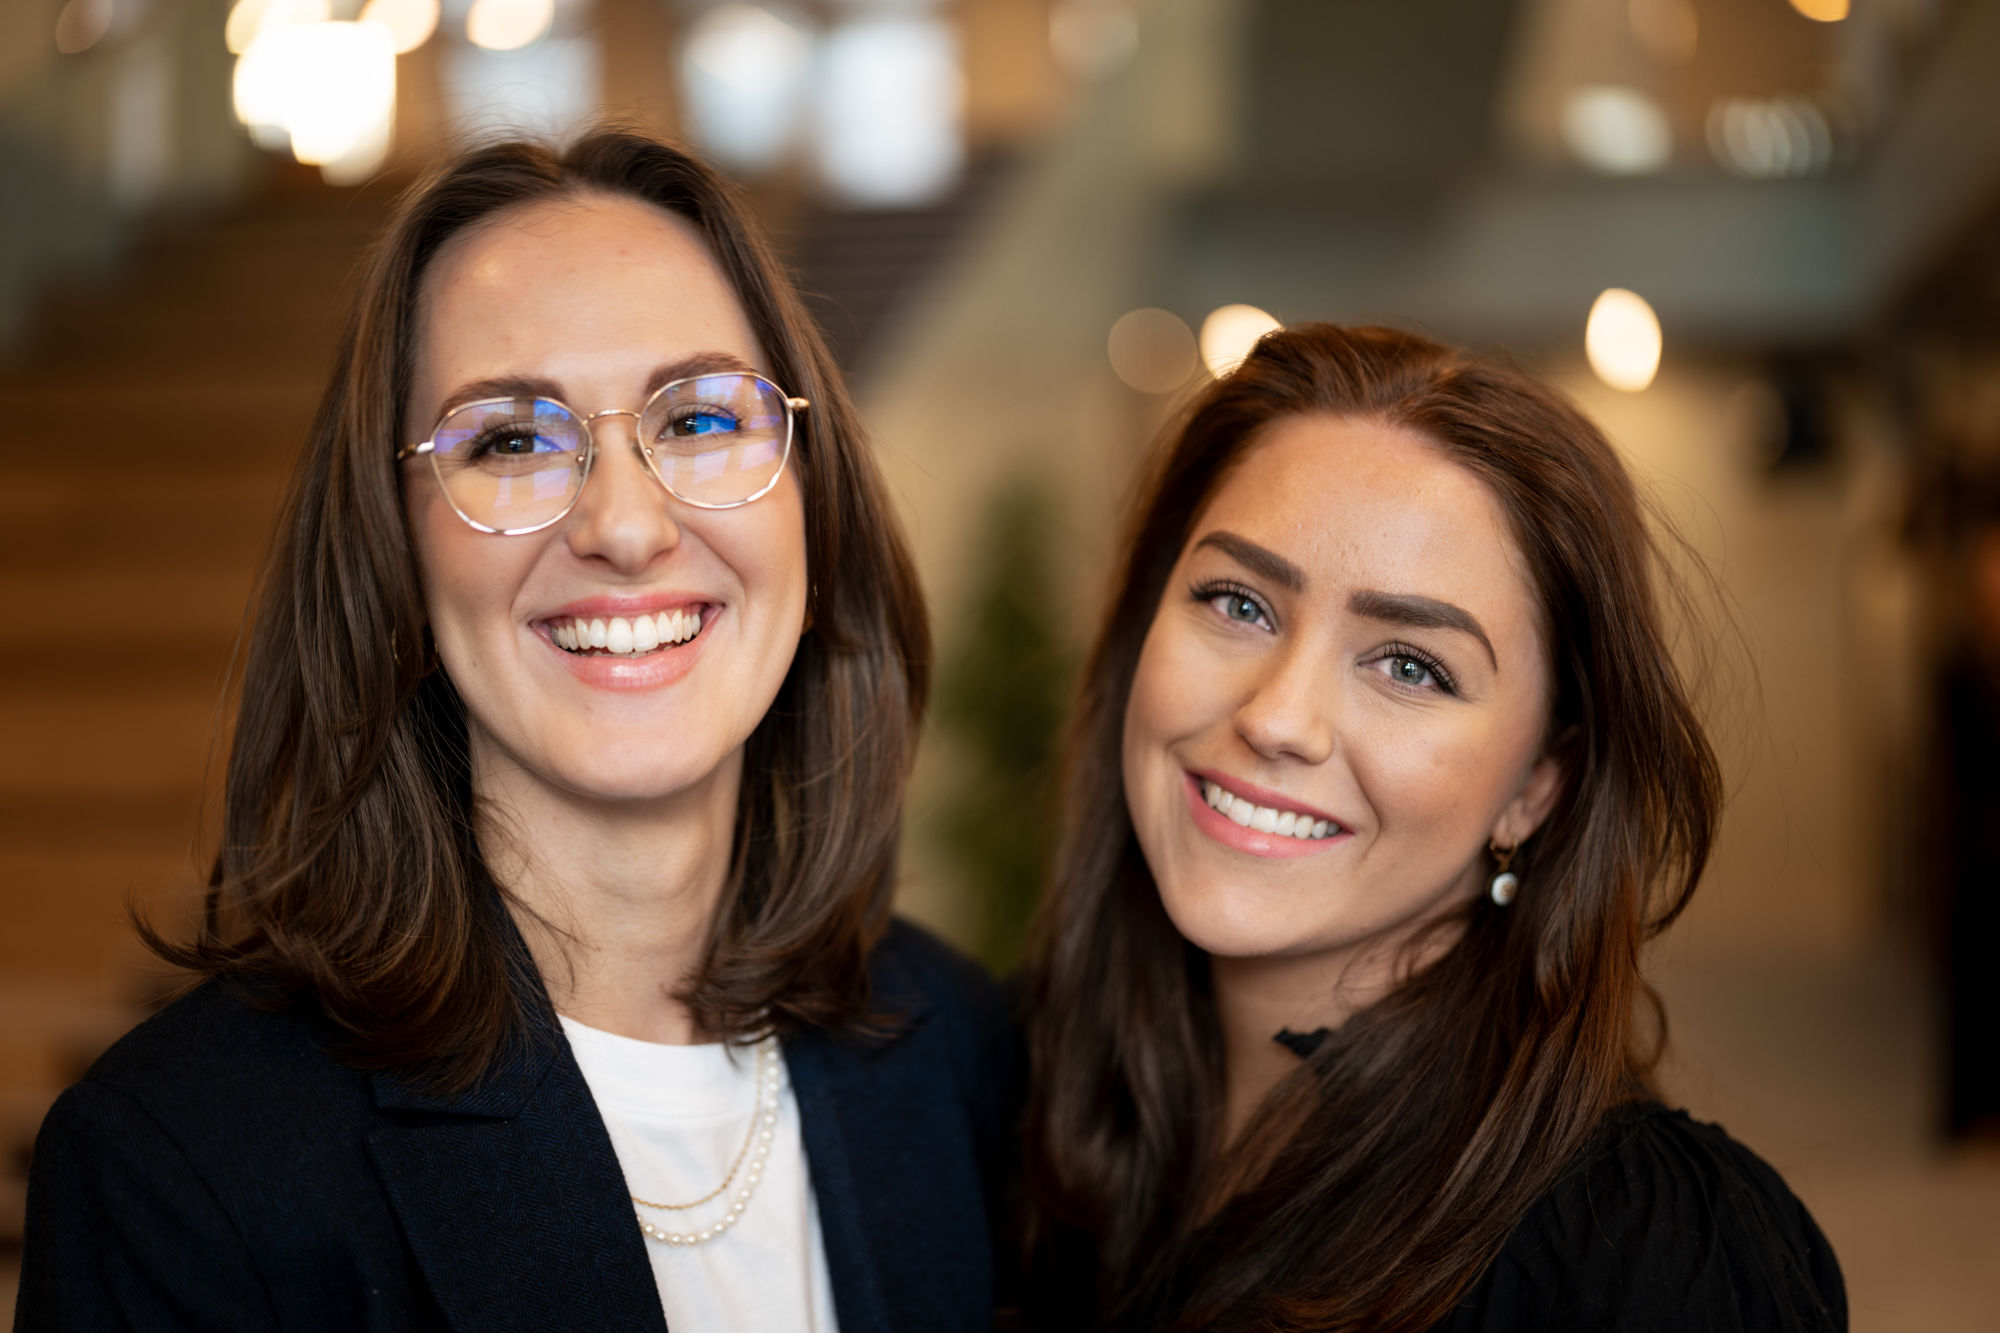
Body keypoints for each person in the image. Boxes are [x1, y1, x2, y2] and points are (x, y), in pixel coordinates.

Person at [16, 131, 1014, 1333]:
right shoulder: (182, 1170)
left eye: (697, 418)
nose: (626, 526)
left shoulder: (957, 1049)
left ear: (816, 499)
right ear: (393, 552)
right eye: (510, 439)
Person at [1021, 324, 1845, 1332]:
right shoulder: (989, 1094)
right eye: (1236, 601)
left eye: (1409, 665)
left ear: (1538, 786)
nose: (1276, 717)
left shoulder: (1641, 1263)